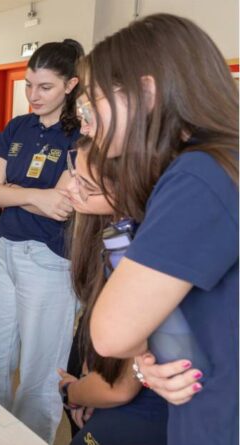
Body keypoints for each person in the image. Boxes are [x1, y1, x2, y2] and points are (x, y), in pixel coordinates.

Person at [84, 14, 238, 445]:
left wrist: (134, 348)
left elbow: (111, 331)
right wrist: (144, 359)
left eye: (94, 99)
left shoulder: (201, 175)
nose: (88, 118)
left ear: (147, 92)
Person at [0, 39, 83, 443]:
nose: (33, 95)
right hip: (2, 250)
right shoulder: (18, 127)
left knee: (39, 372)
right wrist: (36, 194)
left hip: (50, 260)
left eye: (45, 87)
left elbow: (63, 206)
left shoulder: (82, 135)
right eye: (29, 85)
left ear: (70, 85)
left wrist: (13, 192)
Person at [57, 137, 167, 445]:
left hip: (148, 409)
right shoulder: (113, 234)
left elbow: (119, 388)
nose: (69, 189)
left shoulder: (140, 250)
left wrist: (71, 391)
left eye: (85, 184)